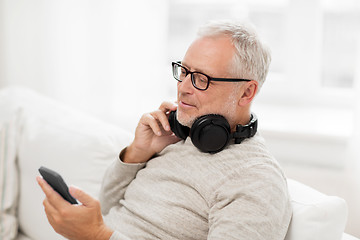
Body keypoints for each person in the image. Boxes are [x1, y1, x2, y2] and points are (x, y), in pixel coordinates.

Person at [37, 20, 292, 240]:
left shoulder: (256, 180)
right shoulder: (178, 135)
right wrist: (138, 153)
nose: (183, 87)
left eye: (201, 79)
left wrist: (97, 235)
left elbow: (101, 228)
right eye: (184, 71)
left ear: (247, 92)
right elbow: (109, 206)